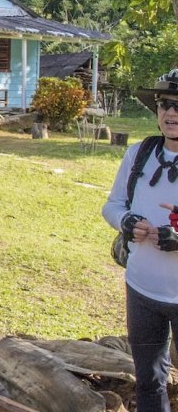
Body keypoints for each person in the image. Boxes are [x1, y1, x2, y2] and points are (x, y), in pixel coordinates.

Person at [103, 70, 178, 412]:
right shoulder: (140, 154)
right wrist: (127, 221)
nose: (170, 113)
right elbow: (113, 204)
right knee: (148, 382)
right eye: (165, 105)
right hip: (141, 290)